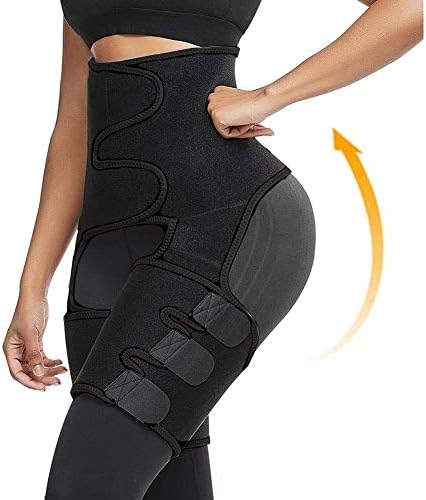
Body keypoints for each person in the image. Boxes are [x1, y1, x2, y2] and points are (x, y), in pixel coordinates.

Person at [3, 1, 422, 498]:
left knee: (84, 486)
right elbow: (75, 121)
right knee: (160, 484)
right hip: (109, 249)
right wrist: (33, 289)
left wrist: (269, 97)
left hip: (224, 223)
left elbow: (410, 8)